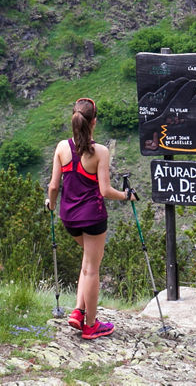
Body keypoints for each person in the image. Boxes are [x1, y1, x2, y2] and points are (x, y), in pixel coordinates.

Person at [46, 97, 135, 340]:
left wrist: (51, 204)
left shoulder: (62, 147)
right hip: (93, 218)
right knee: (92, 269)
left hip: (69, 218)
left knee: (87, 261)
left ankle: (78, 311)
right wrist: (126, 196)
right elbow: (105, 191)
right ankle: (91, 325)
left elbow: (53, 186)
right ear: (93, 122)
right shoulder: (100, 152)